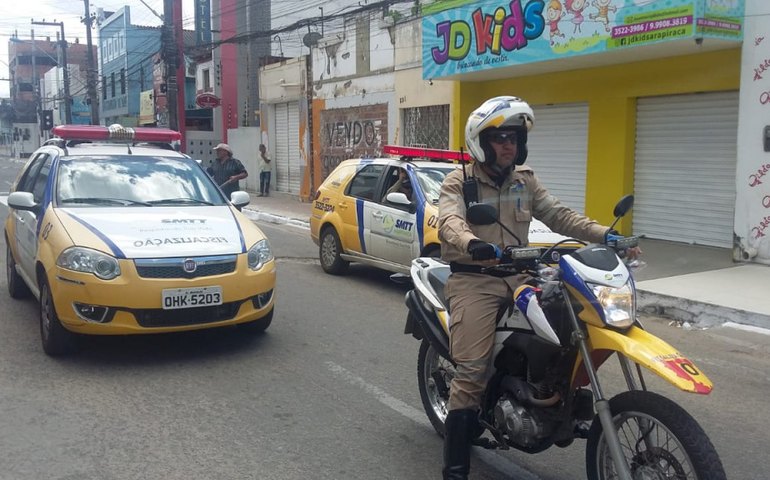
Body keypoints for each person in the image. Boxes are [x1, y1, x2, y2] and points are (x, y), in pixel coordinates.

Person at [437, 96, 640, 480]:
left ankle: (548, 394)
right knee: (472, 372)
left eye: (514, 138)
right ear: (481, 142)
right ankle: (455, 471)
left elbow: (559, 215)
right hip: (475, 280)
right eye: (500, 138)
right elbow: (449, 221)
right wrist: (471, 243)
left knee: (569, 323)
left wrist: (606, 236)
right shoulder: (459, 182)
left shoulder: (524, 180)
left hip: (521, 275)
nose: (508, 145)